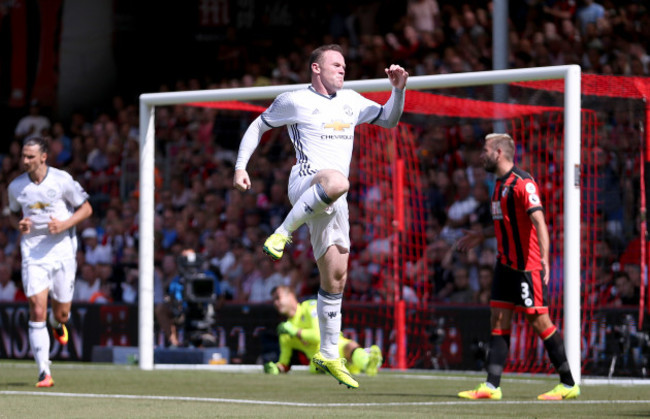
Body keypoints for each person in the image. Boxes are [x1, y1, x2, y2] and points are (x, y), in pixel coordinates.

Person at [233, 44, 407, 389]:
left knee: (337, 277)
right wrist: (240, 166)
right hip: (305, 182)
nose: (343, 69)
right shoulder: (294, 100)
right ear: (316, 68)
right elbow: (257, 126)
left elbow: (389, 119)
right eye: (336, 64)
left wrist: (398, 91)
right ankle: (281, 233)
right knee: (338, 179)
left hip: (332, 200)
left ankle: (329, 351)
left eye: (345, 65)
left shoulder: (352, 100)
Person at [455, 133, 580, 401]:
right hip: (504, 264)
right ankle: (492, 386)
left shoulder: (523, 183)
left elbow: (539, 221)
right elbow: (505, 223)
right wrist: (482, 235)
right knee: (498, 321)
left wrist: (545, 258)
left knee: (539, 321)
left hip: (527, 266)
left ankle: (568, 383)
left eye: (485, 150)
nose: (481, 155)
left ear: (499, 152)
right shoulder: (498, 185)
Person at [7, 137, 93, 387]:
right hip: (33, 253)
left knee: (62, 313)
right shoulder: (16, 187)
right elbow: (13, 214)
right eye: (23, 156)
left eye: (30, 156)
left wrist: (64, 224)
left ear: (44, 157)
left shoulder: (61, 179)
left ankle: (58, 323)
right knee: (36, 308)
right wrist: (18, 225)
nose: (25, 161)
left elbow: (86, 208)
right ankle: (44, 371)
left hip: (62, 251)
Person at [264, 285, 382, 378]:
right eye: (273, 300)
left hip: (335, 346)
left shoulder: (310, 307)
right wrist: (276, 368)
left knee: (349, 346)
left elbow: (320, 335)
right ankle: (365, 361)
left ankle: (368, 362)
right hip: (319, 361)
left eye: (278, 298)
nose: (276, 303)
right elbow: (284, 361)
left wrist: (296, 332)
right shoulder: (285, 330)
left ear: (290, 295)